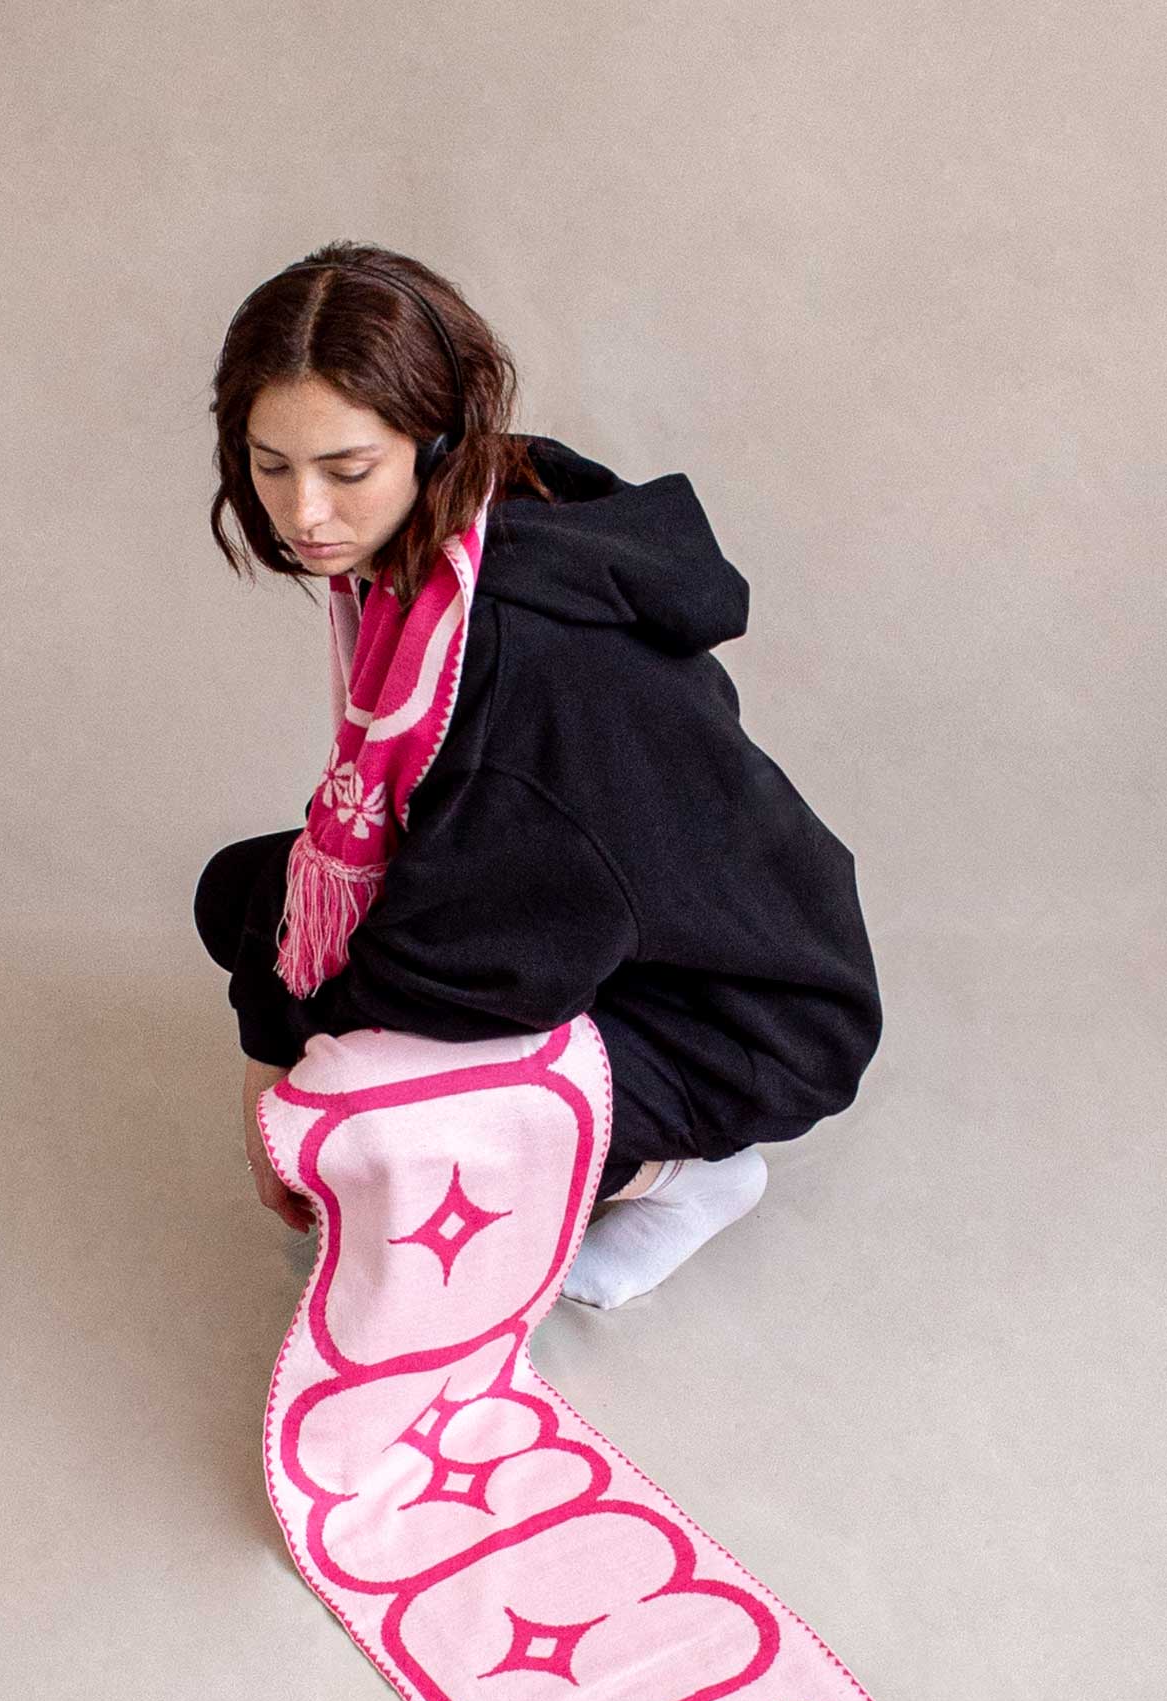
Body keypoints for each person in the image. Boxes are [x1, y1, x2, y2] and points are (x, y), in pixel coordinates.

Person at [192, 241, 883, 1308]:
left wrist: (276, 1073)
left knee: (351, 1111)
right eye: (270, 464)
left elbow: (466, 977)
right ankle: (600, 1140)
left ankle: (685, 1174)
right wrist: (265, 1018)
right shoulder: (450, 540)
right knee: (243, 897)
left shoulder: (522, 653)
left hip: (739, 1016)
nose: (303, 512)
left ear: (433, 441)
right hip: (609, 911)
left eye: (346, 470)